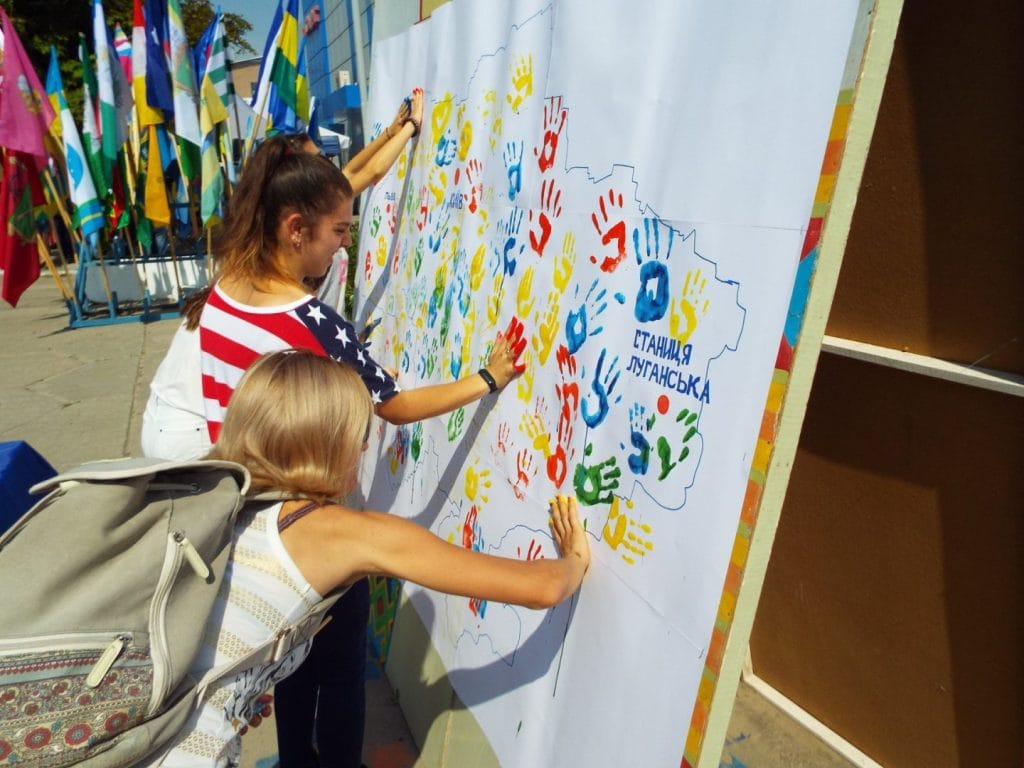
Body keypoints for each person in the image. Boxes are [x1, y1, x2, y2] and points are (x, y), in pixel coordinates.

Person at [150, 350, 590, 767]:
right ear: (327, 444)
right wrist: (573, 557)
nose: (363, 451)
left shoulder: (219, 498)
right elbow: (543, 587)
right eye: (360, 435)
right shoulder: (341, 533)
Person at [141, 89, 426, 460]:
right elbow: (364, 174)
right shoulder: (292, 265)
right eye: (316, 160)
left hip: (170, 412)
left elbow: (356, 175)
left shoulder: (253, 245)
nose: (345, 240)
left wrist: (392, 133)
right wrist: (411, 127)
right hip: (195, 430)